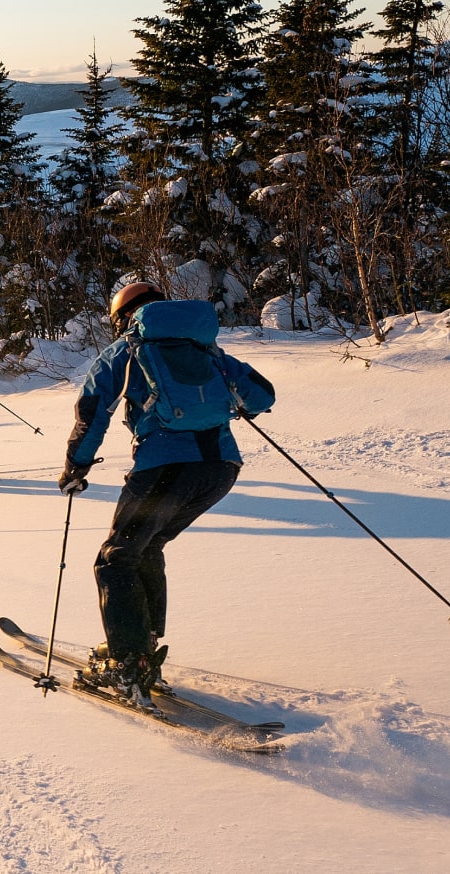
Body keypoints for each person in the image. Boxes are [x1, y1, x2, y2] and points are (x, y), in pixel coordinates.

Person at [59, 282, 277, 710]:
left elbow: (92, 413)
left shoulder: (125, 352)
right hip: (220, 470)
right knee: (146, 545)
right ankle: (142, 643)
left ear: (124, 316)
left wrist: (75, 467)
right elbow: (263, 394)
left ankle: (130, 662)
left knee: (116, 557)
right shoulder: (207, 350)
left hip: (165, 468)